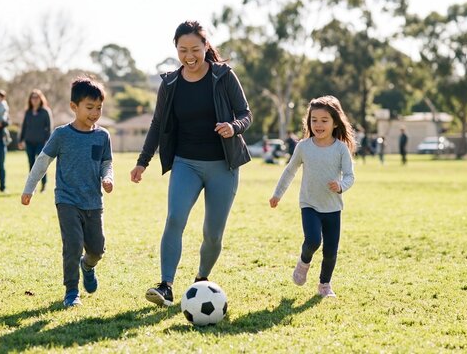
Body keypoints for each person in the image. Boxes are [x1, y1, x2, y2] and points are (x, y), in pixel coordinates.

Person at [130, 20, 252, 307]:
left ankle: (201, 280)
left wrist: (233, 127)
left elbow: (245, 113)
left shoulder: (223, 76)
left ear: (205, 47)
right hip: (186, 163)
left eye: (195, 49)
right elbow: (158, 124)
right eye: (183, 50)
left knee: (213, 233)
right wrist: (142, 162)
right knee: (174, 219)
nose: (189, 56)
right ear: (176, 49)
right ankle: (166, 286)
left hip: (223, 165)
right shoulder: (170, 83)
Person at [21, 77, 114, 307]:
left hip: (93, 201)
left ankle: (88, 266)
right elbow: (42, 161)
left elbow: (106, 163)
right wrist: (29, 188)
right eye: (89, 107)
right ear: (74, 107)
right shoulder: (62, 135)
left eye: (99, 108)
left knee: (97, 249)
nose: (95, 113)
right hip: (67, 199)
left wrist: (108, 177)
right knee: (72, 245)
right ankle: (72, 292)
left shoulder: (102, 136)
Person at [269, 95, 355, 298]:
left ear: (335, 123)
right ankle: (304, 261)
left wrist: (341, 186)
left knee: (331, 251)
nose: (318, 124)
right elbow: (289, 171)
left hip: (333, 207)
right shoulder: (303, 147)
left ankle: (324, 285)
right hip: (309, 204)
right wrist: (277, 194)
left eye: (324, 120)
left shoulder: (341, 149)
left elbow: (350, 176)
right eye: (314, 120)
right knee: (313, 240)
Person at [18, 89, 53, 193]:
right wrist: (21, 140)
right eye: (33, 97)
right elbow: (24, 127)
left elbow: (49, 127)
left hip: (41, 142)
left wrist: (48, 141)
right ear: (30, 99)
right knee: (31, 164)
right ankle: (32, 187)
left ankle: (44, 185)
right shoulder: (28, 112)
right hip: (29, 142)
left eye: (37, 97)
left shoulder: (45, 111)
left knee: (41, 164)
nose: (34, 99)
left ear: (40, 99)